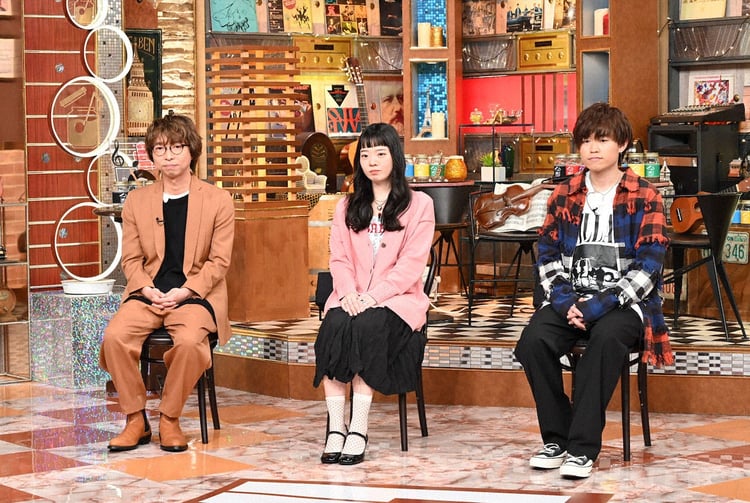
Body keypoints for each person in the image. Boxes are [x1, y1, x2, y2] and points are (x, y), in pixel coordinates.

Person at [514, 103, 673, 479]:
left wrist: (599, 305)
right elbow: (547, 255)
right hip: (571, 298)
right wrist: (566, 301)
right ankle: (557, 439)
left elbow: (649, 265)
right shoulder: (563, 194)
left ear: (622, 144)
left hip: (624, 304)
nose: (593, 148)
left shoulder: (645, 194)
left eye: (602, 139)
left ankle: (582, 448)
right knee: (533, 342)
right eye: (585, 141)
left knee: (605, 340)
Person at [100, 112, 235, 453]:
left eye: (176, 147)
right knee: (114, 337)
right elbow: (131, 260)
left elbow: (219, 262)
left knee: (190, 343)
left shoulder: (218, 200)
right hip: (147, 293)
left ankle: (169, 418)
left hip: (195, 295)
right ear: (152, 155)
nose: (169, 155)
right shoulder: (137, 201)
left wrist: (185, 291)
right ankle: (135, 418)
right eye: (160, 149)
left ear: (192, 151)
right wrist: (147, 289)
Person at [313, 123, 435, 465]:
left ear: (395, 156)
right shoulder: (346, 206)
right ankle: (336, 428)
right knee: (334, 325)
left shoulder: (419, 205)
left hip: (397, 303)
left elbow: (411, 266)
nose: (372, 161)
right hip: (350, 297)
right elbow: (338, 258)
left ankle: (358, 428)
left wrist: (373, 297)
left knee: (368, 328)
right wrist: (348, 294)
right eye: (365, 155)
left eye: (380, 153)